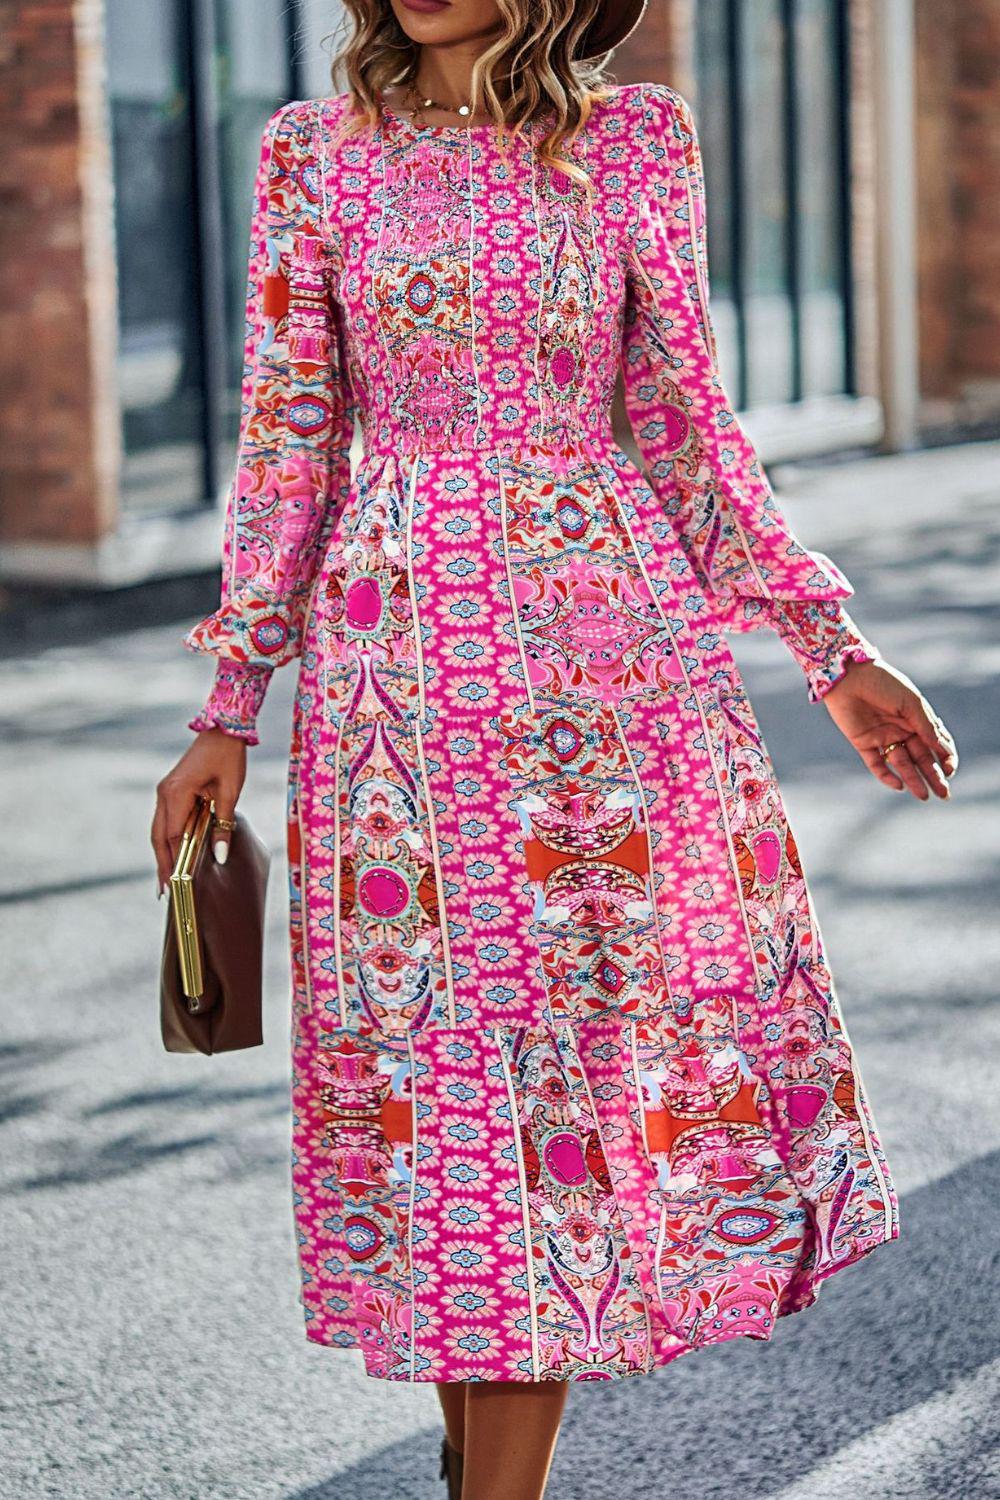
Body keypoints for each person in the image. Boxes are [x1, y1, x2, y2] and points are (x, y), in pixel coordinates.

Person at [151, 3, 959, 1496]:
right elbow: (284, 432)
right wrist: (229, 705)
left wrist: (830, 650)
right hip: (395, 669)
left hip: (606, 661)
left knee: (563, 1073)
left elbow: (683, 420)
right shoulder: (312, 155)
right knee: (441, 1071)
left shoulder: (636, 139)